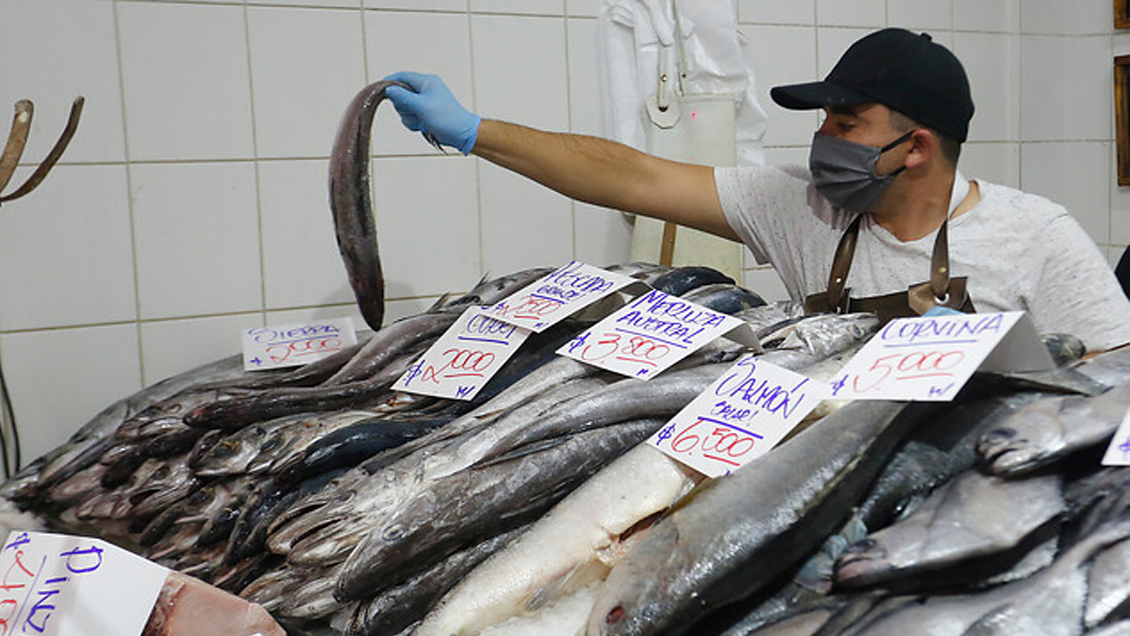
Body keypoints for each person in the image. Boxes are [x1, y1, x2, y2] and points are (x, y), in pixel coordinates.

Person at [384, 27, 1130, 353]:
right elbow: (633, 175)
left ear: (918, 148)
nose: (822, 140)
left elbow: (1114, 382)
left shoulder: (1037, 236)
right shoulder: (804, 205)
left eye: (845, 122)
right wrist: (476, 131)